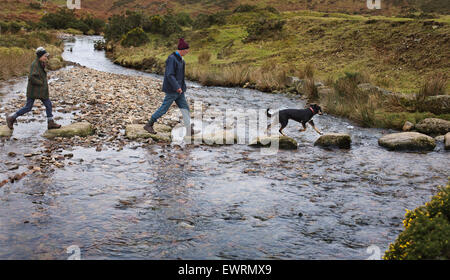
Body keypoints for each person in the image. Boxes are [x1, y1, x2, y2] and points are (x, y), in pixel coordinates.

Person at [144, 38, 197, 136]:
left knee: (185, 108)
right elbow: (169, 75)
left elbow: (181, 76)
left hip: (179, 91)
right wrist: (177, 87)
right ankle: (149, 124)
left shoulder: (181, 60)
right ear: (182, 49)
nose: (188, 51)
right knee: (163, 109)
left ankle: (189, 129)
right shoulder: (172, 59)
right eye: (186, 50)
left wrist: (182, 88)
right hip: (173, 90)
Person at [6, 47, 61, 130]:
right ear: (40, 56)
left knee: (48, 104)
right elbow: (31, 77)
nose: (46, 57)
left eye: (46, 56)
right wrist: (41, 83)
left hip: (41, 91)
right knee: (28, 107)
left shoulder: (41, 63)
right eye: (45, 56)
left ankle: (50, 123)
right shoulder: (34, 64)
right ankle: (11, 118)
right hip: (34, 91)